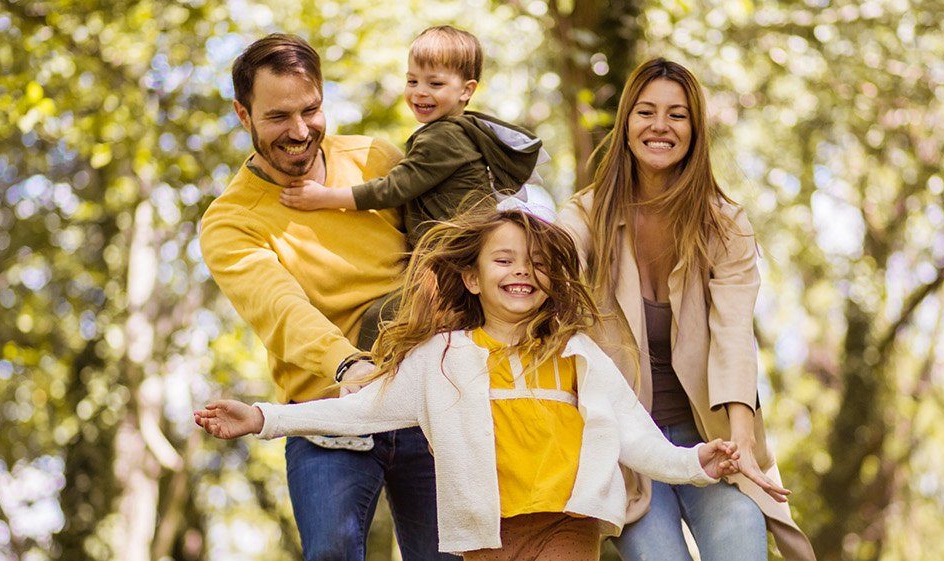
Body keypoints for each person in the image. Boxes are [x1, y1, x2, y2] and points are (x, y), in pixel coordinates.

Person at [197, 208, 742, 560]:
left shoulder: (577, 354)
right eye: (502, 260)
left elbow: (637, 439)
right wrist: (265, 418)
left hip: (567, 525)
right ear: (473, 278)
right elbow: (360, 412)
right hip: (487, 537)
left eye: (535, 263)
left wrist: (696, 463)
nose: (520, 272)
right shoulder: (444, 358)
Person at [196, 33, 453, 561]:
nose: (299, 131)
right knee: (333, 551)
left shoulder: (376, 160)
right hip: (327, 411)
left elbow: (439, 252)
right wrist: (348, 367)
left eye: (311, 110)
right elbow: (282, 309)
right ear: (243, 115)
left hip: (424, 397)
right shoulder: (230, 220)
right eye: (277, 117)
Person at [559, 58, 819, 561]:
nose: (660, 126)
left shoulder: (725, 226)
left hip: (711, 440)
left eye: (676, 115)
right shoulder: (587, 214)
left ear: (696, 129)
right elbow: (557, 256)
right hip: (629, 450)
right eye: (646, 112)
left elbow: (733, 337)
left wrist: (741, 439)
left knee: (742, 540)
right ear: (626, 124)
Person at [276, 25, 545, 350]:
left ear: (466, 89)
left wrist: (325, 197)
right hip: (459, 256)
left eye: (435, 84)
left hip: (454, 259)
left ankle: (364, 382)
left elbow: (394, 188)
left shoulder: (442, 137)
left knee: (383, 318)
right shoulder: (458, 129)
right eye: (412, 81)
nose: (420, 92)